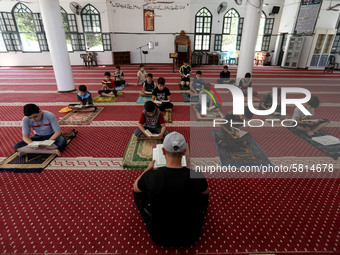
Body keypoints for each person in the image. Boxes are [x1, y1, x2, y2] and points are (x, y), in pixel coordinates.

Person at [133, 131, 209, 247]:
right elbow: (205, 192)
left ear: (163, 151)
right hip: (191, 236)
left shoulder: (151, 176)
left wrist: (148, 170)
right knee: (200, 193)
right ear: (184, 152)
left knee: (138, 192)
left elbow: (135, 188)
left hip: (159, 236)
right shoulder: (196, 175)